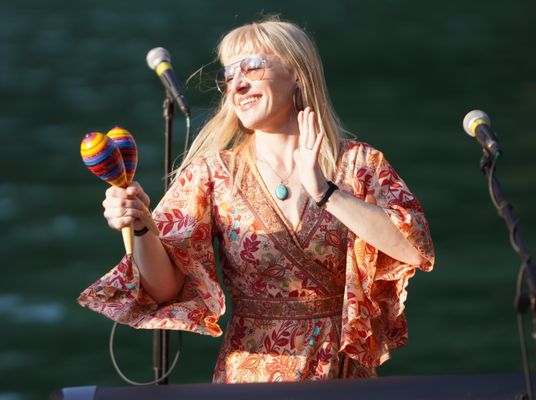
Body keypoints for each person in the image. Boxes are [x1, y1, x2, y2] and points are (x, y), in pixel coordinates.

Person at [78, 16, 434, 382]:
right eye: (229, 75)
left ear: (297, 73)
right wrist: (141, 227)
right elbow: (164, 289)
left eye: (251, 67)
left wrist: (326, 192)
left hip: (342, 376)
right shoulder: (213, 174)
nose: (238, 84)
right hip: (252, 376)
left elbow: (414, 249)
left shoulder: (358, 164)